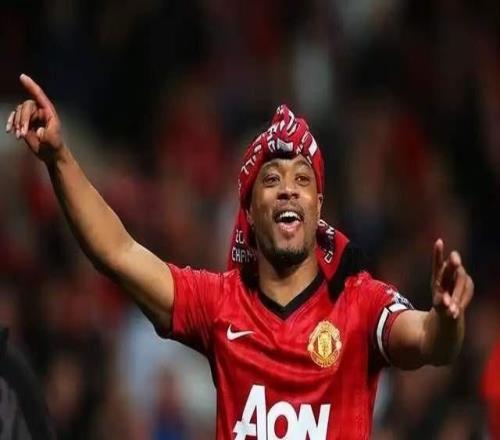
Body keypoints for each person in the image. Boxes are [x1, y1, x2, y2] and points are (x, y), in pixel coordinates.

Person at [6, 74, 474, 440]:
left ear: (318, 206)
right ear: (249, 209)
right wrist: (59, 158)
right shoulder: (219, 304)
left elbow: (430, 341)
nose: (288, 189)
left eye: (302, 179)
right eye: (271, 180)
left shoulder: (361, 303)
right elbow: (117, 251)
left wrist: (447, 318)